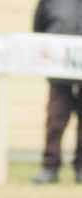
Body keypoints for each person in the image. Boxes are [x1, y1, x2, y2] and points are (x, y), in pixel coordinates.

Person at [31, 0, 82, 184]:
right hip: (59, 71)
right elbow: (38, 29)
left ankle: (80, 168)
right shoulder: (49, 2)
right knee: (56, 120)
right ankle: (49, 167)